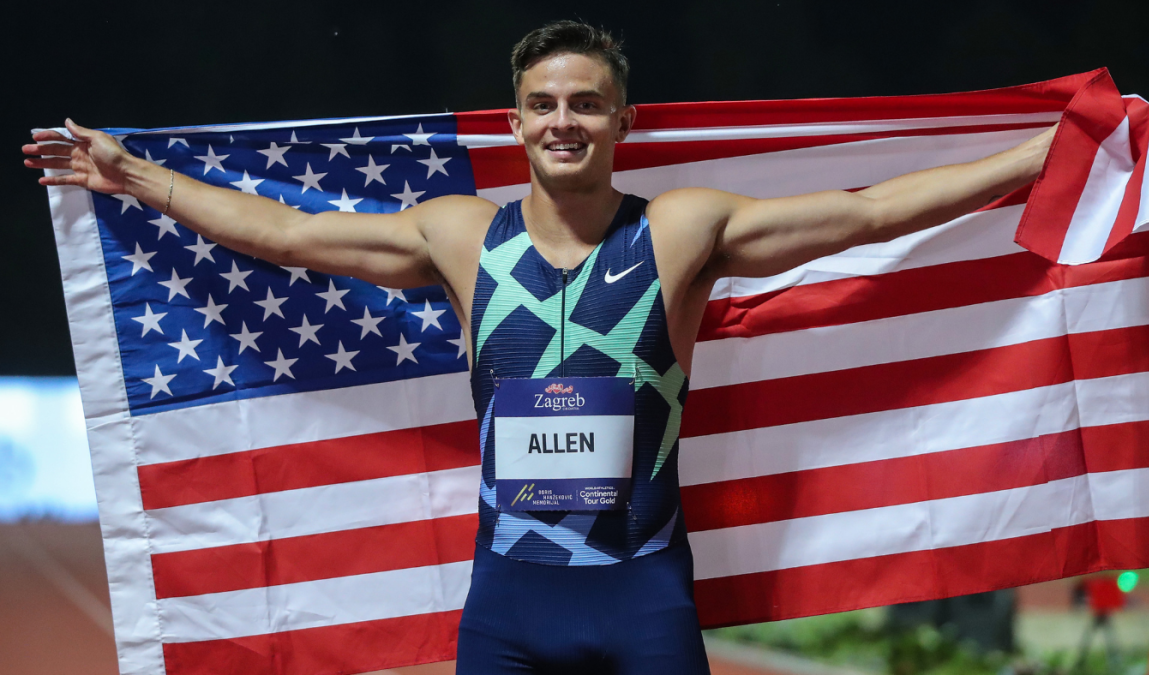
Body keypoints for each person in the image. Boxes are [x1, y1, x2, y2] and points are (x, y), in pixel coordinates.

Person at [23, 19, 1056, 675]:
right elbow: (289, 238)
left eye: (586, 103)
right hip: (512, 608)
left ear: (621, 120)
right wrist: (134, 176)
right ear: (516, 122)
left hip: (643, 593)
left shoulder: (681, 230)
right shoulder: (461, 236)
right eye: (545, 104)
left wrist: (1047, 151)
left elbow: (869, 212)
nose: (565, 120)